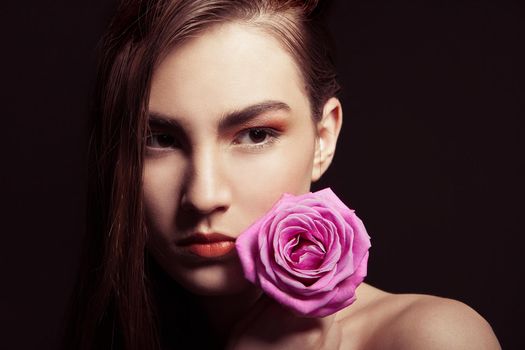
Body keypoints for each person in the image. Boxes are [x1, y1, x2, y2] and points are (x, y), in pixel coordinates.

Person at [64, 0, 501, 349]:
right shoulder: (108, 332)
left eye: (255, 135)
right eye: (158, 139)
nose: (203, 195)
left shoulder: (429, 339)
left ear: (323, 137)